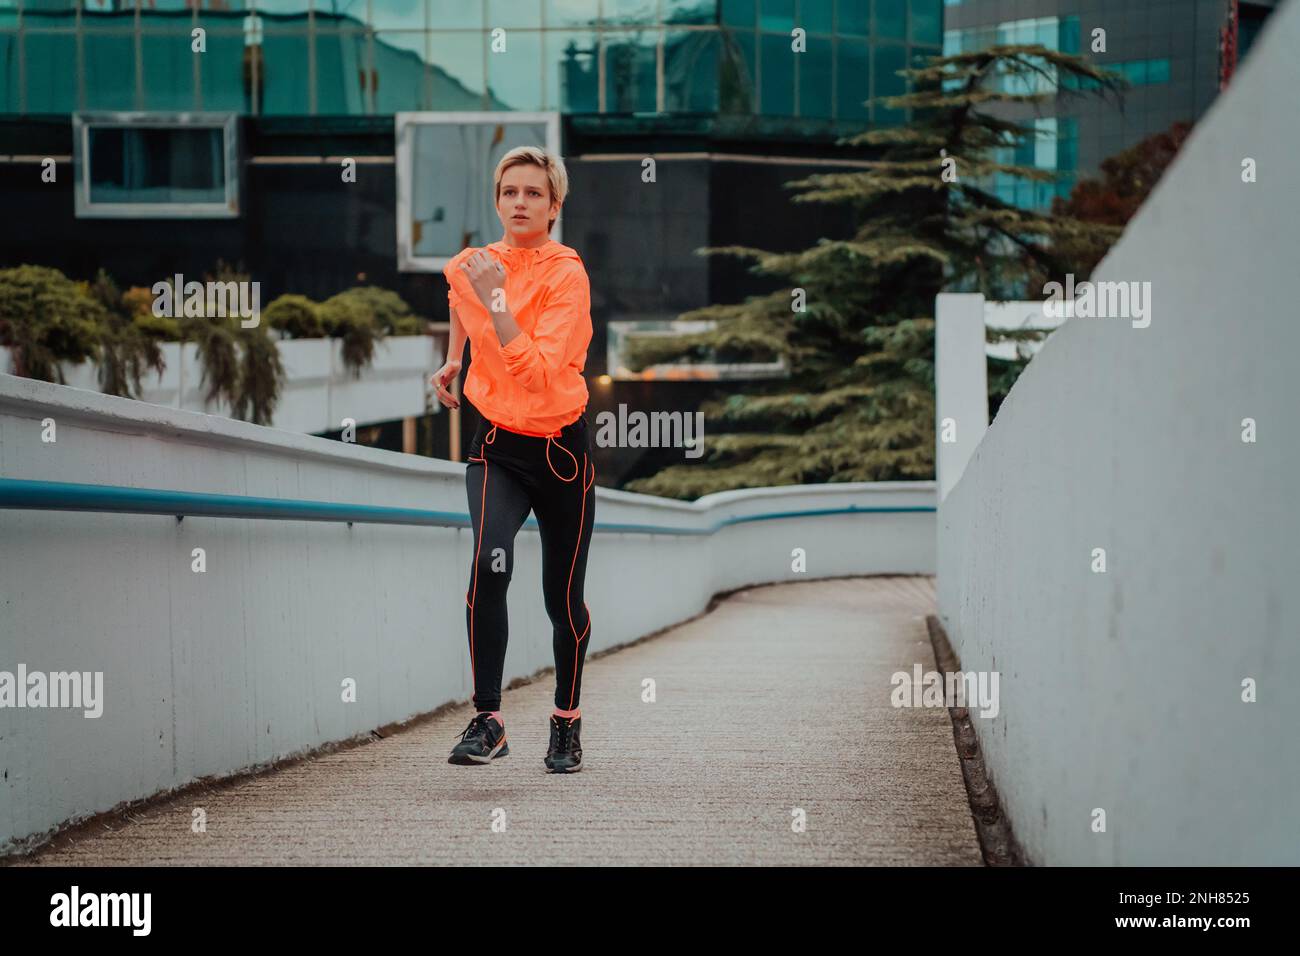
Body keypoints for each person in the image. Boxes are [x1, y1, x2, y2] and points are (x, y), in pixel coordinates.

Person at [431, 146, 595, 774]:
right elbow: (459, 300)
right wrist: (455, 358)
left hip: (560, 454)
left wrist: (498, 300)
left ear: (554, 205)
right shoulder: (473, 264)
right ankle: (490, 718)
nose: (519, 204)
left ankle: (566, 721)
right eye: (509, 193)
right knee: (489, 563)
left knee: (563, 599)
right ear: (497, 200)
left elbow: (533, 373)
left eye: (533, 194)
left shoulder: (567, 275)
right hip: (495, 442)